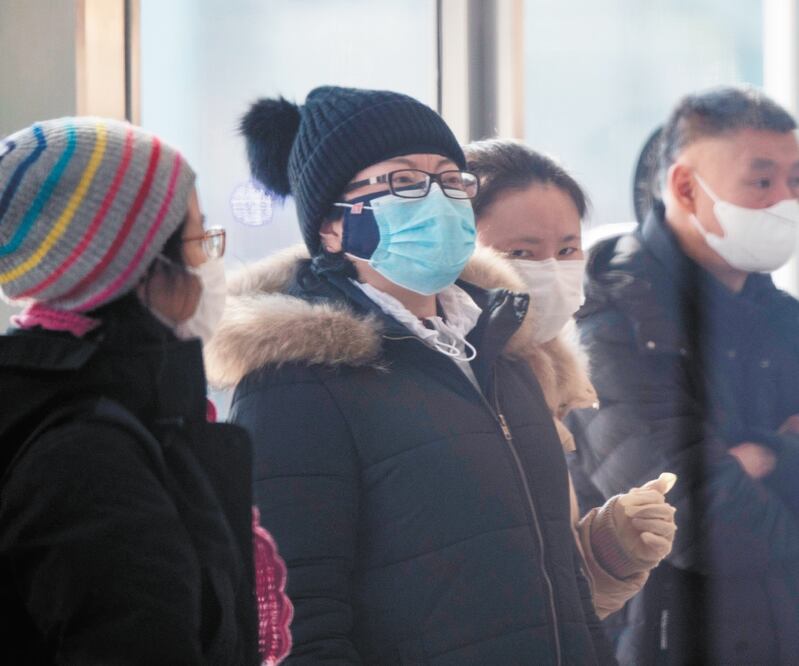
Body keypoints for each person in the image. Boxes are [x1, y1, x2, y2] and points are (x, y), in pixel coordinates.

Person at [205, 85, 616, 664]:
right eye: (403, 181)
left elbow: (561, 581)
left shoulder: (502, 346)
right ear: (333, 225)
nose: (437, 198)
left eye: (451, 180)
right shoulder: (296, 382)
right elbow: (300, 619)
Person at [0, 118, 260, 664]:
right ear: (135, 268)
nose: (209, 264)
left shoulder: (71, 400)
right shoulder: (87, 455)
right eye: (197, 240)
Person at [568, 86, 799, 665]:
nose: (786, 199)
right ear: (687, 188)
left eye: (796, 180)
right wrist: (782, 452)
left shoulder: (784, 317)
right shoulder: (609, 320)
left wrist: (761, 455)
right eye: (762, 180)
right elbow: (694, 521)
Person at [464, 138, 677, 620]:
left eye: (566, 249)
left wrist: (609, 550)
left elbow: (551, 597)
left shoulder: (545, 379)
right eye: (521, 252)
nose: (552, 271)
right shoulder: (453, 380)